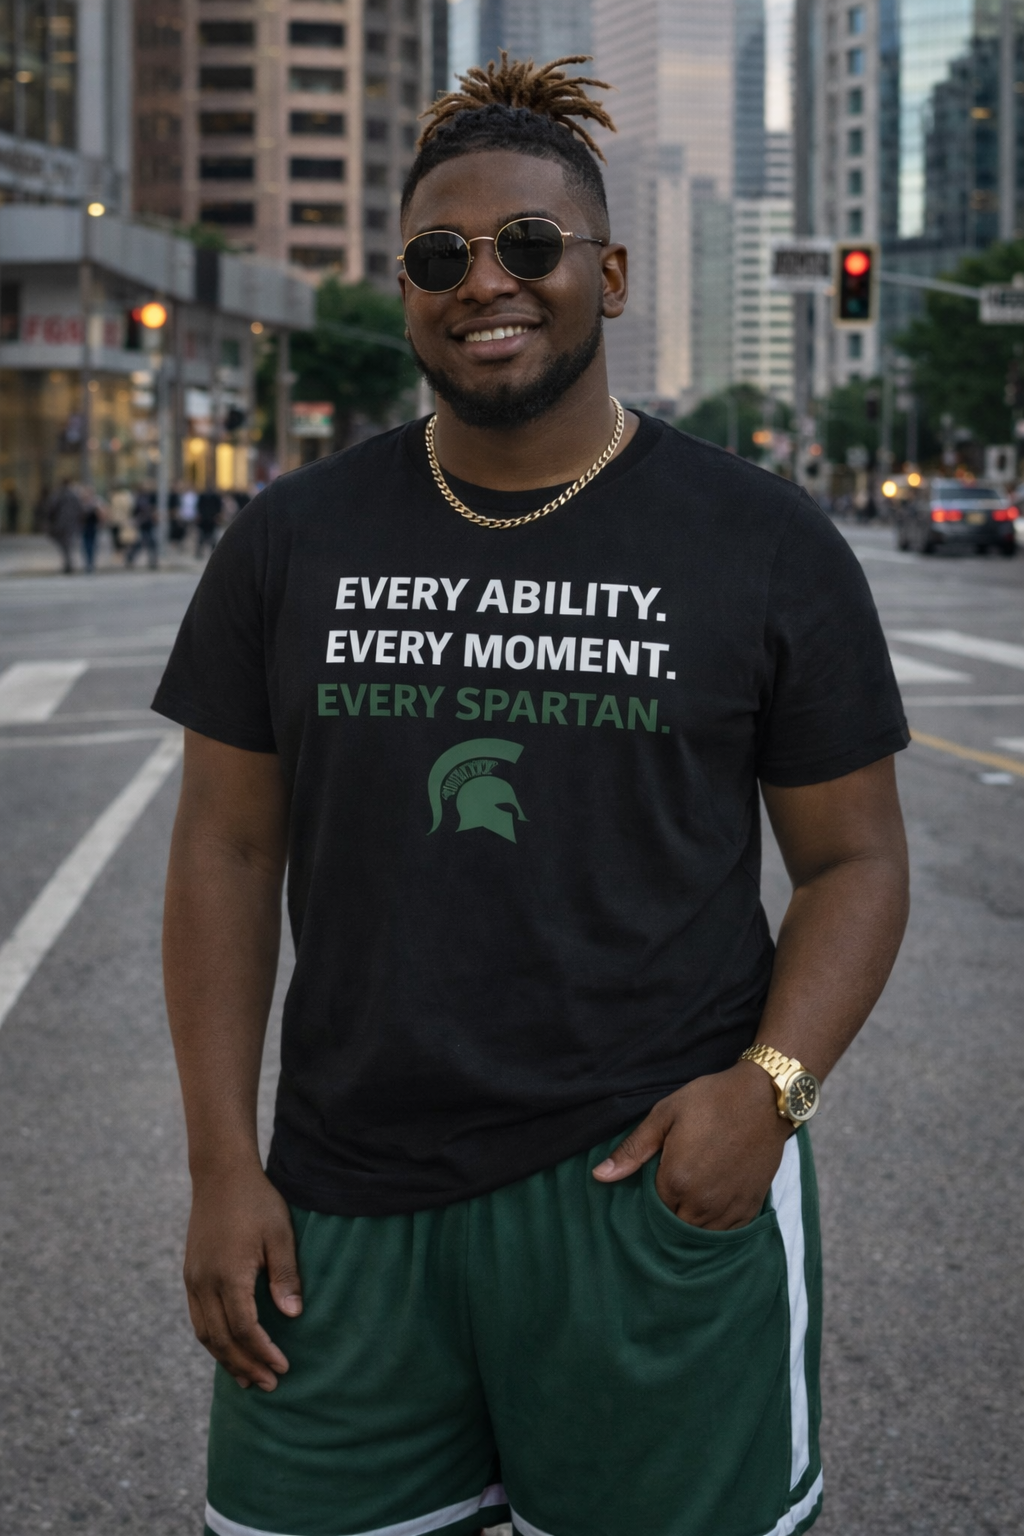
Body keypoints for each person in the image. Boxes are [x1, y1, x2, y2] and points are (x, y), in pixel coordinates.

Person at [155, 55, 910, 1536]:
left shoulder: (759, 541)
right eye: (441, 256)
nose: (484, 281)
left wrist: (768, 1099)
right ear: (406, 288)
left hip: (645, 1194)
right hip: (341, 1206)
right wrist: (220, 1165)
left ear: (610, 273)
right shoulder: (291, 538)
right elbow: (228, 855)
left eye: (529, 246)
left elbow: (857, 864)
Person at [45, 478, 84, 573]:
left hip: (60, 524)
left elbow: (51, 509)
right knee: (67, 544)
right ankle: (68, 563)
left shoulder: (58, 495)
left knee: (65, 544)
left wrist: (50, 520)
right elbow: (80, 510)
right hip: (71, 524)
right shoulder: (74, 496)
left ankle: (68, 564)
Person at [127, 485, 158, 569]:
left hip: (147, 524)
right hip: (143, 524)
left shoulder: (149, 498)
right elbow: (135, 512)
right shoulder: (140, 499)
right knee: (143, 543)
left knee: (149, 543)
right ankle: (131, 558)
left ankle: (152, 561)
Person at [195, 486, 222, 557]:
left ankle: (213, 553)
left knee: (213, 538)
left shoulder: (216, 497)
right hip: (204, 520)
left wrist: (217, 517)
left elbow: (219, 508)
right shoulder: (202, 497)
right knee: (201, 538)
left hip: (212, 520)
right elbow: (199, 507)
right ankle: (200, 552)